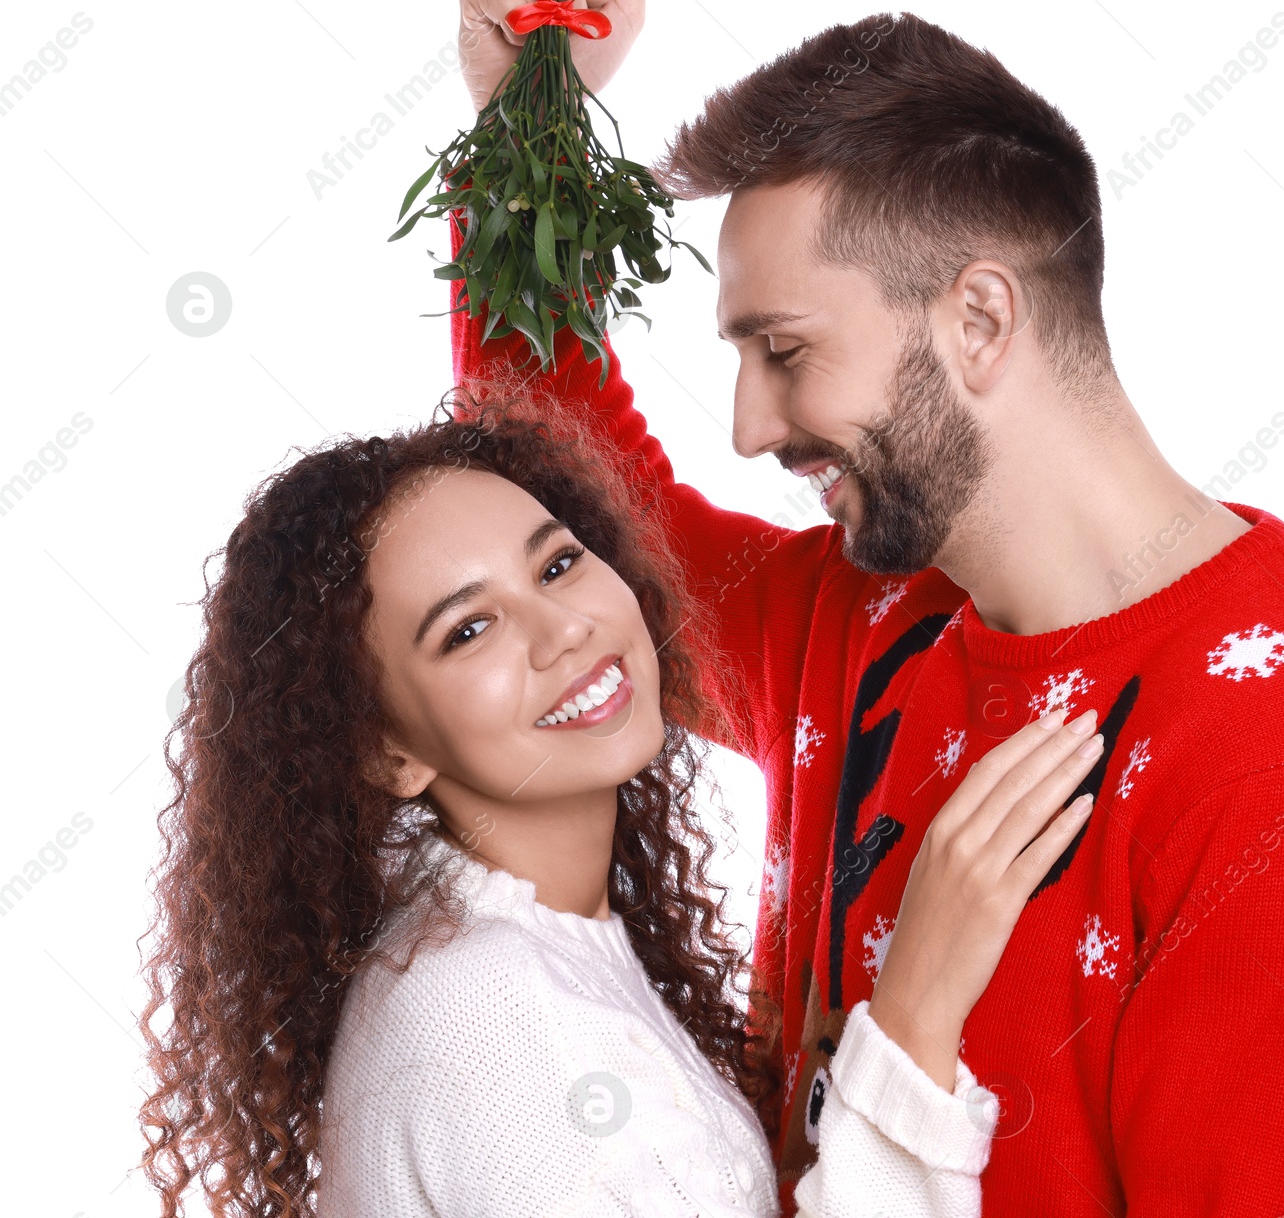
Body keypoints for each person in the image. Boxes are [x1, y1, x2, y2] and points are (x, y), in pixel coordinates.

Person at [445, 0, 1284, 1216]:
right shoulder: (871, 611)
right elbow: (573, 508)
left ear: (980, 316)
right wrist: (523, 134)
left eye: (785, 349)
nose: (751, 427)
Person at [136, 394, 1109, 1216]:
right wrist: (912, 1019)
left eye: (557, 564)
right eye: (468, 629)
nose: (562, 628)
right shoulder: (492, 1022)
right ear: (385, 749)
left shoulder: (494, 941)